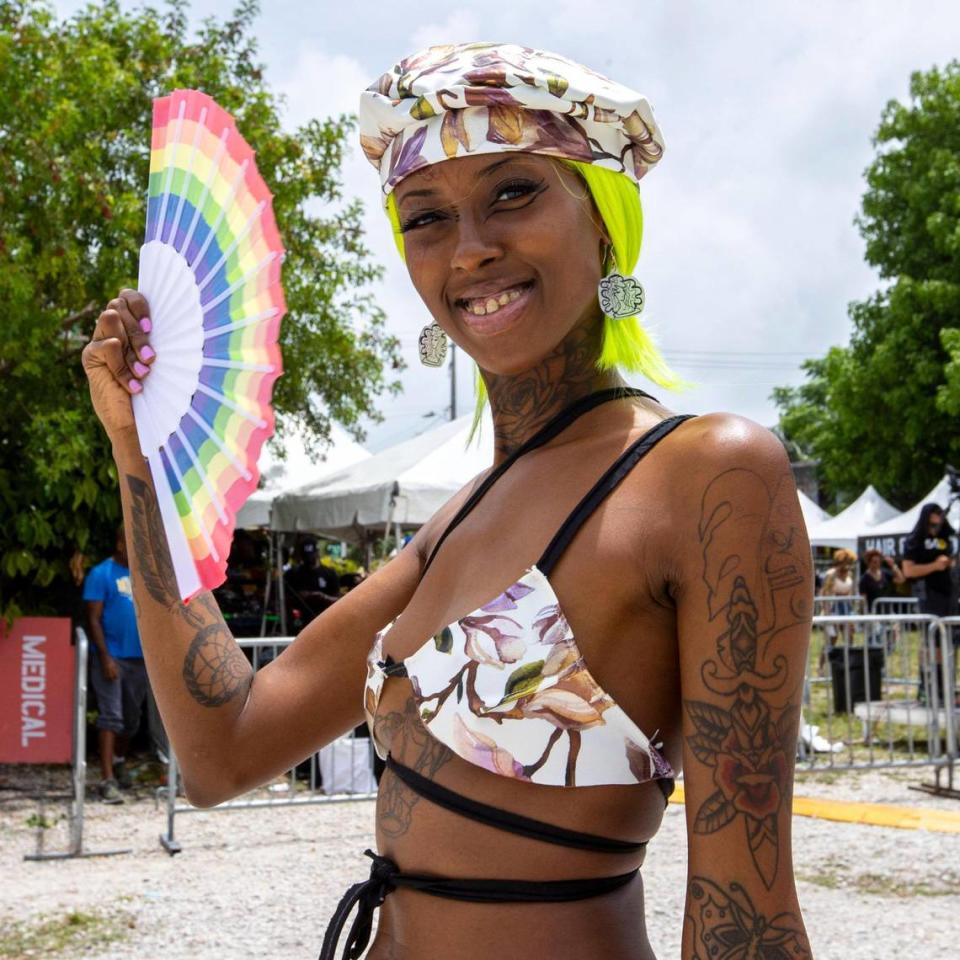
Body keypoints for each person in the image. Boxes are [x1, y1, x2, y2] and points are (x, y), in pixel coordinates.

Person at [82, 41, 814, 960]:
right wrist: (140, 455)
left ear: (604, 222)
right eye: (426, 217)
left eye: (514, 193)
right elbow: (224, 747)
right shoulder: (457, 523)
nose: (470, 249)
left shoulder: (708, 477)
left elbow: (745, 920)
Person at [82, 525, 152, 803]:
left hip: (140, 659)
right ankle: (107, 779)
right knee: (111, 717)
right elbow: (93, 619)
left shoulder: (144, 575)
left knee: (132, 720)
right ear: (120, 544)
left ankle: (120, 759)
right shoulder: (101, 574)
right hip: (112, 658)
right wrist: (105, 657)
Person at [903, 503, 957, 702]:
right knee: (931, 643)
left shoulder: (946, 538)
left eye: (941, 514)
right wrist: (935, 566)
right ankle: (927, 687)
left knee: (948, 643)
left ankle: (946, 687)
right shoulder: (915, 540)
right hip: (927, 594)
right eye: (935, 514)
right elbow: (908, 570)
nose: (939, 518)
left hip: (948, 595)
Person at [859, 548, 905, 650]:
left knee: (894, 631)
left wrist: (893, 566)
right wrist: (865, 614)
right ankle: (874, 653)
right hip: (873, 612)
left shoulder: (885, 573)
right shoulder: (864, 579)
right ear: (869, 562)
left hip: (888, 610)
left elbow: (901, 580)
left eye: (879, 561)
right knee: (876, 636)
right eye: (874, 562)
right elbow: (863, 599)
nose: (877, 564)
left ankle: (889, 651)